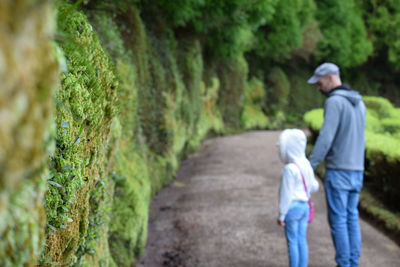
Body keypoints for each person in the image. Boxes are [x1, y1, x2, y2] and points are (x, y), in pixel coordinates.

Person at [307, 62, 366, 267]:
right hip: (357, 171)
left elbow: (326, 138)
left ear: (331, 78)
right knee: (351, 218)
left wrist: (309, 165)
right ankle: (352, 263)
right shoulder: (360, 103)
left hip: (339, 171)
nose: (318, 87)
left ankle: (344, 264)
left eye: (320, 82)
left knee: (339, 221)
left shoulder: (334, 102)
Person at [277, 129, 319, 267]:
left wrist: (282, 215)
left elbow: (286, 194)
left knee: (292, 242)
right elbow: (314, 186)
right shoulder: (306, 163)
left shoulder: (290, 169)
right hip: (305, 208)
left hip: (293, 209)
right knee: (302, 240)